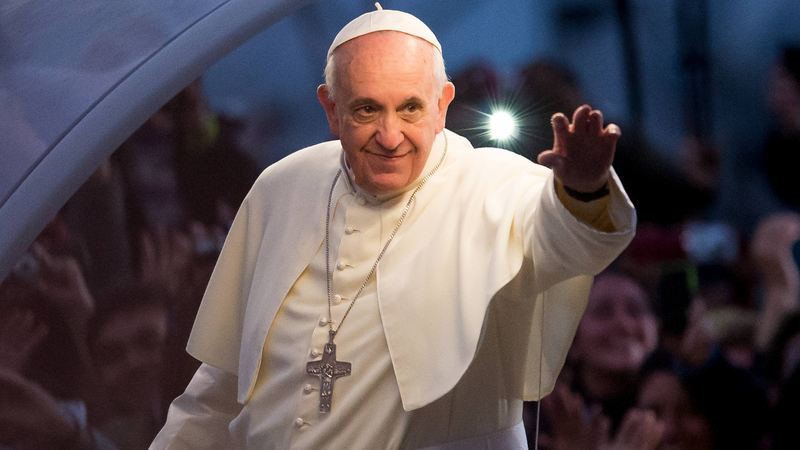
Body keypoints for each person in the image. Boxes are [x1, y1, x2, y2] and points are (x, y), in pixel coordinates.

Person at [151, 5, 636, 449]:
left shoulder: (493, 182)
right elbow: (221, 386)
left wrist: (583, 190)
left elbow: (561, 237)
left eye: (410, 108)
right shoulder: (280, 188)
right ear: (331, 109)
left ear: (442, 103)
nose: (389, 136)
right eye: (366, 109)